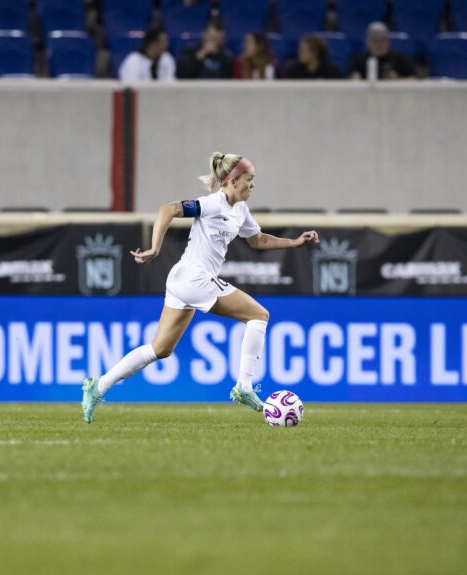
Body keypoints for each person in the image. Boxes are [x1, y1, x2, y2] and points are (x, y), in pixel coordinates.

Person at [80, 152, 319, 424]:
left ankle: (97, 387)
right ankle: (244, 386)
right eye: (249, 180)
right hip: (194, 278)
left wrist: (295, 242)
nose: (253, 185)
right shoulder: (211, 204)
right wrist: (156, 248)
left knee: (160, 349)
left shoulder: (240, 209)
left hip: (184, 281)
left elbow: (258, 240)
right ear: (231, 180)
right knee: (259, 316)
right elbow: (167, 209)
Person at [349, 22, 416, 80]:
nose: (378, 45)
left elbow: (414, 80)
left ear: (388, 41)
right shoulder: (359, 61)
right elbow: (346, 80)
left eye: (382, 41)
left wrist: (398, 80)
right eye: (375, 41)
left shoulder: (399, 59)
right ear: (368, 42)